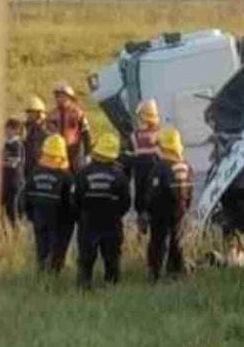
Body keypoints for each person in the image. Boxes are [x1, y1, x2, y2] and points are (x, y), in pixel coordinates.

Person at [74, 133, 130, 288]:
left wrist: (81, 216)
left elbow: (75, 199)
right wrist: (116, 214)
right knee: (112, 257)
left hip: (88, 223)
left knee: (86, 257)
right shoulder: (120, 175)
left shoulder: (82, 173)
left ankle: (83, 286)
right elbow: (126, 202)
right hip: (112, 223)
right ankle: (112, 285)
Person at [145, 127, 194, 282]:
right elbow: (190, 191)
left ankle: (155, 273)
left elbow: (152, 194)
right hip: (180, 211)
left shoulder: (160, 167)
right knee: (177, 241)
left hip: (161, 212)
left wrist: (147, 210)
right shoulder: (187, 166)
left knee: (158, 242)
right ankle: (175, 271)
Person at [24, 135, 75, 274]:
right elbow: (71, 202)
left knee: (42, 249)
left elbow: (26, 197)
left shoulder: (35, 172)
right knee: (58, 252)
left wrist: (31, 216)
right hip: (60, 222)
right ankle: (55, 277)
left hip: (39, 218)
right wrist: (71, 220)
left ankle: (41, 274)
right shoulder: (66, 176)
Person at [128, 99, 160, 232]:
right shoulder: (161, 135)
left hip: (141, 186)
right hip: (156, 186)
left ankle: (142, 229)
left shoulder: (134, 137)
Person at [46, 83, 92, 174]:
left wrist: (87, 153)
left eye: (62, 96)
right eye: (57, 96)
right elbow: (47, 134)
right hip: (57, 151)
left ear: (70, 98)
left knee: (76, 173)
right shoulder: (52, 114)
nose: (59, 99)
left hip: (75, 150)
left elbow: (86, 133)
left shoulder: (78, 113)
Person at [2, 119, 25, 226]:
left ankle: (17, 233)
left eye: (9, 129)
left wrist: (1, 162)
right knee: (6, 209)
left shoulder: (17, 145)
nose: (6, 131)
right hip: (6, 181)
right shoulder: (6, 143)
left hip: (14, 182)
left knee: (13, 210)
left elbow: (14, 163)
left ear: (15, 130)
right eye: (6, 128)